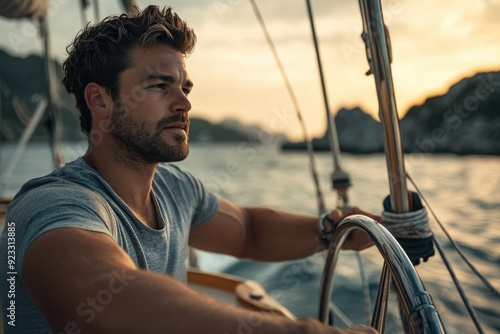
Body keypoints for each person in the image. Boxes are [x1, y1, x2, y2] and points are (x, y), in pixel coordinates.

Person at [0, 5, 380, 334]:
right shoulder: (53, 205)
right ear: (99, 100)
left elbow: (248, 231)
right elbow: (103, 305)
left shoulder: (174, 189)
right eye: (159, 86)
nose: (184, 103)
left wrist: (329, 231)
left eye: (185, 88)